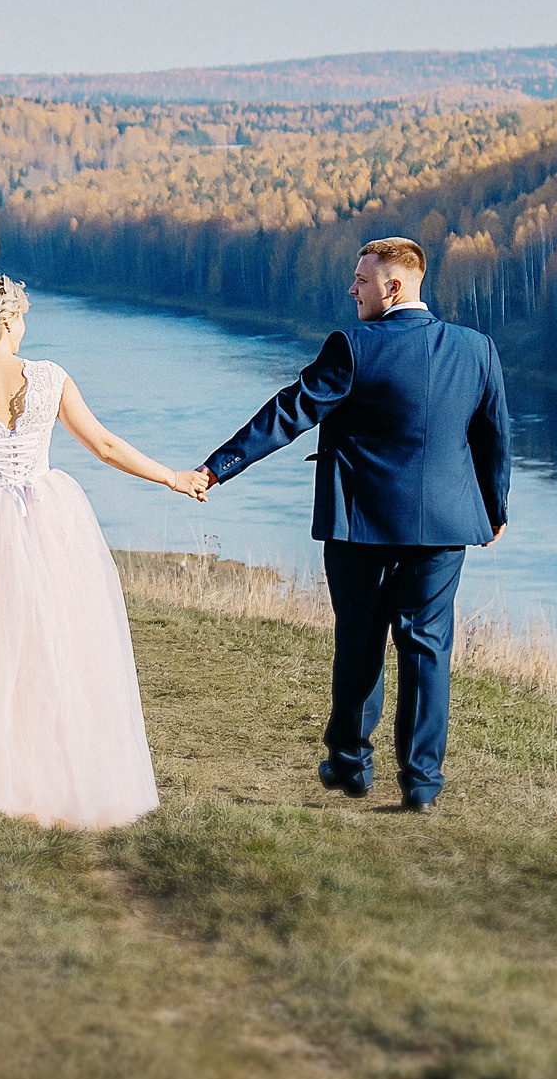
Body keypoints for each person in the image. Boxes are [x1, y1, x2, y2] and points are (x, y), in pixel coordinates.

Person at [197, 237, 509, 813]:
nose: (352, 289)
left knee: (360, 642)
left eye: (361, 280)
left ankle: (350, 764)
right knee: (427, 648)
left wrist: (217, 469)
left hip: (358, 525)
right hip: (443, 528)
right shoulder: (476, 348)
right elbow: (494, 438)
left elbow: (290, 412)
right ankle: (421, 785)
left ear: (394, 287)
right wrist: (494, 510)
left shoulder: (355, 347)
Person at [0, 271, 208, 830]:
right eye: (23, 315)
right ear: (8, 318)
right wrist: (173, 478)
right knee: (59, 648)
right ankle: (60, 782)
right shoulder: (51, 377)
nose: (26, 323)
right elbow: (104, 446)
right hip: (52, 519)